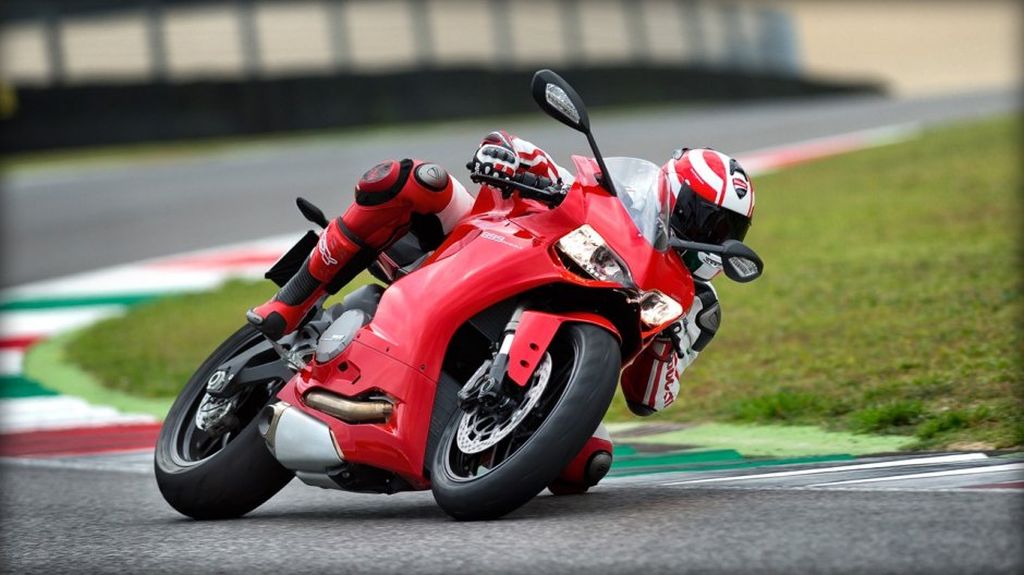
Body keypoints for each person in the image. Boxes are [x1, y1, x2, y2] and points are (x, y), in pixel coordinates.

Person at [247, 130, 755, 417]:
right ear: (671, 195)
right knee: (416, 179)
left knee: (586, 466)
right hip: (478, 251)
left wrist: (667, 339)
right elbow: (529, 157)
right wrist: (507, 157)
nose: (710, 235)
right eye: (704, 217)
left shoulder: (696, 308)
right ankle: (289, 305)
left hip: (544, 373)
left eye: (726, 229)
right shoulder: (611, 192)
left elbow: (648, 401)